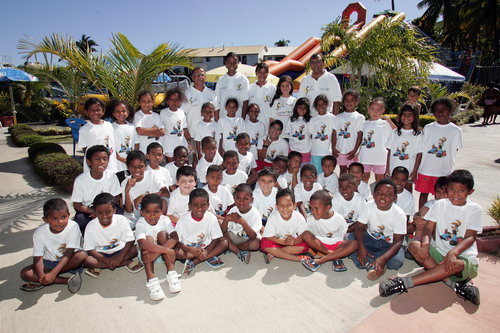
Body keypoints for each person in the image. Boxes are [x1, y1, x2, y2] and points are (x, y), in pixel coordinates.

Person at [379, 170, 482, 306]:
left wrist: (453, 252)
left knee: (454, 264)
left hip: (462, 258)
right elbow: (428, 228)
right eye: (451, 190)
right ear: (447, 188)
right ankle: (453, 284)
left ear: (470, 191)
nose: (455, 194)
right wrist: (426, 245)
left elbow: (470, 238)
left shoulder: (475, 209)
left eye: (461, 191)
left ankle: (404, 283)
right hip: (438, 252)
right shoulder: (440, 204)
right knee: (414, 246)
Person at [20, 199, 86, 293]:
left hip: (69, 261)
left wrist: (53, 273)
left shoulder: (73, 227)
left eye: (64, 217)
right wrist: (41, 277)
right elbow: (38, 258)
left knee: (81, 255)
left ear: (69, 215)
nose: (60, 221)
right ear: (45, 219)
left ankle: (51, 277)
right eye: (54, 218)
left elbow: (69, 252)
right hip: (49, 262)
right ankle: (65, 280)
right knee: (25, 273)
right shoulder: (39, 233)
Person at [349, 179, 406, 280]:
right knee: (350, 238)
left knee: (397, 261)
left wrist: (383, 259)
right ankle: (375, 264)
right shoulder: (368, 206)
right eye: (379, 193)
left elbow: (397, 242)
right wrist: (361, 248)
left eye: (388, 194)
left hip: (389, 245)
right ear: (374, 195)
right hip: (370, 239)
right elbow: (359, 227)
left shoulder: (399, 214)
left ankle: (373, 263)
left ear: (395, 198)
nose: (383, 196)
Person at [416, 97, 463, 208]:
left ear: (450, 110)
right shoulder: (428, 128)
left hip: (444, 170)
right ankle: (422, 218)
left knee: (441, 196)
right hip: (426, 169)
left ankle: (438, 218)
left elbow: (455, 148)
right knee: (423, 194)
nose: (440, 112)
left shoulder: (456, 130)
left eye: (444, 109)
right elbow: (422, 149)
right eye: (437, 110)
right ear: (433, 112)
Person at [83, 193, 142, 278]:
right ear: (95, 212)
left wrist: (119, 257)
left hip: (120, 251)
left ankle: (101, 266)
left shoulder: (121, 220)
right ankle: (124, 262)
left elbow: (130, 240)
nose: (104, 216)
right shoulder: (91, 226)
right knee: (87, 260)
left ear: (114, 210)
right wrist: (106, 260)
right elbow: (90, 250)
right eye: (100, 212)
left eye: (108, 212)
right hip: (101, 254)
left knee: (134, 250)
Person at [135, 194, 181, 301]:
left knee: (163, 234)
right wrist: (166, 250)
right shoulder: (140, 223)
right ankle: (151, 279)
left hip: (158, 254)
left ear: (161, 211)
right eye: (147, 212)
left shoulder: (164, 219)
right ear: (141, 212)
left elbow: (175, 237)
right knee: (148, 239)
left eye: (156, 212)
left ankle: (171, 272)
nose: (152, 216)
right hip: (147, 256)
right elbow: (142, 243)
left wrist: (157, 253)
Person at [300, 190, 358, 272]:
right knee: (305, 234)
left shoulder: (339, 219)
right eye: (311, 208)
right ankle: (333, 256)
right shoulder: (310, 220)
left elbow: (343, 235)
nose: (313, 212)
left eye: (316, 208)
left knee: (354, 244)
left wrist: (342, 247)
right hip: (319, 245)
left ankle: (321, 260)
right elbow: (308, 237)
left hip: (336, 245)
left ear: (327, 207)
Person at [174, 189, 229, 275]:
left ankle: (195, 262)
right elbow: (176, 242)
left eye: (203, 205)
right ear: (190, 206)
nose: (199, 208)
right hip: (189, 250)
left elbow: (216, 238)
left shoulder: (211, 217)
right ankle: (206, 257)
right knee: (175, 252)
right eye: (195, 205)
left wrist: (206, 251)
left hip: (207, 247)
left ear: (208, 205)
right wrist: (191, 250)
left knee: (224, 243)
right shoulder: (183, 220)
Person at [72, 145, 122, 234]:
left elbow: (116, 198)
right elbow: (77, 205)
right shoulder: (80, 180)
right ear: (88, 162)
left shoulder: (112, 177)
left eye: (105, 159)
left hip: (108, 207)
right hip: (90, 209)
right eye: (97, 159)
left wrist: (104, 211)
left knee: (120, 214)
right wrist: (94, 211)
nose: (101, 162)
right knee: (81, 220)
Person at [260, 189, 312, 263]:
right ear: (276, 206)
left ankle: (275, 253)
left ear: (294, 205)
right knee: (264, 242)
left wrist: (294, 241)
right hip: (277, 242)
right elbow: (268, 236)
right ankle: (296, 258)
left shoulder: (299, 217)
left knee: (305, 245)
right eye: (281, 205)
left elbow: (304, 235)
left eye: (288, 205)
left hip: (291, 244)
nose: (285, 208)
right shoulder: (273, 217)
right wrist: (284, 242)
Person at [122, 150, 168, 223]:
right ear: (128, 167)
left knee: (164, 202)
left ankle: (158, 225)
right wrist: (127, 190)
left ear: (146, 166)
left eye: (141, 166)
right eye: (133, 167)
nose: (137, 170)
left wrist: (144, 196)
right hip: (135, 215)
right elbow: (129, 211)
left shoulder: (152, 175)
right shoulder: (125, 183)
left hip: (152, 213)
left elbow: (166, 193)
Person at [385, 103, 423, 191]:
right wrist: (387, 168)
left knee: (407, 188)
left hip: (409, 168)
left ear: (415, 117)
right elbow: (389, 151)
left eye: (410, 115)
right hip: (394, 167)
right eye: (404, 114)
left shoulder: (418, 134)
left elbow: (419, 154)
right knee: (393, 189)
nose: (406, 117)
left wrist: (415, 171)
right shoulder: (395, 132)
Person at [221, 184, 262, 264]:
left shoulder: (255, 213)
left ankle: (231, 248)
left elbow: (253, 236)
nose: (241, 202)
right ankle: (239, 253)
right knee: (222, 237)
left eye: (245, 199)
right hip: (234, 237)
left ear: (251, 200)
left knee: (256, 244)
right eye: (238, 198)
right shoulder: (233, 210)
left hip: (247, 240)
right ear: (234, 199)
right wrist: (226, 220)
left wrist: (243, 222)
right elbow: (222, 231)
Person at [359, 97, 396, 183]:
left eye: (378, 110)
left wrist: (389, 121)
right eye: (372, 109)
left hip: (380, 157)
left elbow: (396, 132)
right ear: (368, 109)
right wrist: (358, 152)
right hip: (365, 156)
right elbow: (361, 139)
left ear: (383, 110)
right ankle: (364, 195)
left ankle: (379, 195)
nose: (375, 112)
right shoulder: (364, 124)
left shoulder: (385, 124)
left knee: (379, 178)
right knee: (364, 177)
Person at [79, 98, 118, 172]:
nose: (95, 112)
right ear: (86, 112)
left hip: (110, 163)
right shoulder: (84, 129)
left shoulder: (109, 125)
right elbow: (85, 149)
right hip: (95, 165)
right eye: (92, 110)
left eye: (98, 110)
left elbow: (112, 144)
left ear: (103, 111)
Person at [332, 90, 365, 175]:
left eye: (352, 100)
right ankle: (342, 187)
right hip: (340, 149)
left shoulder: (359, 117)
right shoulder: (338, 117)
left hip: (352, 150)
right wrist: (333, 148)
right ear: (343, 102)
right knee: (342, 170)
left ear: (356, 102)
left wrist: (354, 150)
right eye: (347, 100)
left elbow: (360, 135)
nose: (349, 102)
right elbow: (334, 133)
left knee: (353, 172)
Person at [182, 67, 217, 139]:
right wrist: (186, 132)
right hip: (193, 135)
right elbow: (182, 114)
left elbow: (216, 112)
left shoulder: (212, 93)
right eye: (197, 75)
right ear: (192, 77)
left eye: (202, 75)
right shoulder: (187, 94)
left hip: (210, 136)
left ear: (205, 77)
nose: (200, 77)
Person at [160, 88, 191, 162]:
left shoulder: (181, 113)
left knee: (182, 166)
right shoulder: (163, 113)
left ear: (180, 102)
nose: (174, 102)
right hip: (169, 146)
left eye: (177, 100)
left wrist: (189, 142)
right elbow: (161, 129)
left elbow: (184, 129)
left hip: (181, 144)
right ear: (167, 101)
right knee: (171, 166)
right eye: (171, 100)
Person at [215, 52, 249, 119]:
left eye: (234, 62)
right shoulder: (221, 80)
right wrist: (217, 119)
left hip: (238, 119)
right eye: (229, 62)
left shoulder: (243, 79)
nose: (232, 65)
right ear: (226, 63)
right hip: (223, 119)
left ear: (238, 63)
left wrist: (242, 119)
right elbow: (217, 101)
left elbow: (245, 101)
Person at [412, 176, 448, 240]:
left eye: (445, 193)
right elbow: (423, 210)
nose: (441, 195)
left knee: (424, 222)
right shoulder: (432, 203)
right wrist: (420, 218)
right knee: (421, 216)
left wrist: (425, 221)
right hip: (428, 231)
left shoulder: (451, 205)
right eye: (438, 192)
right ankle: (418, 241)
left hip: (443, 231)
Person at [310, 94, 336, 173]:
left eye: (323, 104)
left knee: (327, 174)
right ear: (315, 106)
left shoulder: (332, 118)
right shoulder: (313, 119)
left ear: (326, 105)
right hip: (315, 152)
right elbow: (311, 135)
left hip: (327, 152)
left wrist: (334, 149)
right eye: (318, 105)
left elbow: (334, 135)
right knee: (315, 173)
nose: (320, 106)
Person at [248, 62, 276, 130]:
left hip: (266, 124)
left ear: (268, 73)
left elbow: (274, 108)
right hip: (251, 124)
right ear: (256, 73)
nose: (262, 75)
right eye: (260, 72)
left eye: (265, 72)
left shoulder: (272, 88)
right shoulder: (250, 88)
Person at [284, 97, 313, 164]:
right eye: (300, 107)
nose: (302, 110)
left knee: (304, 170)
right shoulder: (291, 120)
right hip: (293, 150)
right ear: (296, 107)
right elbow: (288, 134)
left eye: (304, 108)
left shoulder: (310, 120)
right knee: (293, 169)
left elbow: (311, 136)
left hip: (305, 150)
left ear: (307, 109)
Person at [110, 99, 136, 171]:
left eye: (123, 111)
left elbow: (136, 143)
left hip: (130, 162)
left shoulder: (132, 127)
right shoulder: (110, 127)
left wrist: (133, 157)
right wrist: (118, 157)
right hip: (116, 162)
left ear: (128, 113)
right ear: (113, 114)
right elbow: (109, 145)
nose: (121, 113)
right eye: (117, 111)